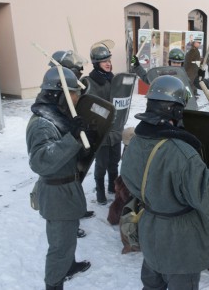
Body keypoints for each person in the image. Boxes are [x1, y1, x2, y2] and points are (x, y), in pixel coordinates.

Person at [120, 75, 209, 290]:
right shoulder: (182, 153)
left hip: (151, 231)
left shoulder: (136, 142)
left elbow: (129, 179)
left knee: (152, 284)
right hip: (179, 241)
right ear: (176, 111)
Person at [26, 67, 91, 290]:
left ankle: (68, 267)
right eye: (73, 92)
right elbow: (40, 161)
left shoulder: (56, 116)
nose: (77, 97)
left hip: (66, 192)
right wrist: (72, 139)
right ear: (59, 94)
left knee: (66, 242)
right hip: (57, 195)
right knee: (59, 249)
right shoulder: (43, 123)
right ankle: (54, 285)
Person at [50, 50, 95, 231]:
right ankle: (70, 223)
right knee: (66, 181)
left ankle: (77, 210)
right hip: (63, 143)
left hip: (73, 137)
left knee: (76, 177)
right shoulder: (56, 89)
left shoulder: (71, 84)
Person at [81, 41, 121, 204]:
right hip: (101, 131)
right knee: (101, 164)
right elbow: (88, 106)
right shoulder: (89, 82)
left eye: (109, 60)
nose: (108, 64)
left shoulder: (115, 80)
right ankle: (100, 191)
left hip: (116, 130)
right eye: (104, 61)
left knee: (114, 162)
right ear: (97, 64)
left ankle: (113, 186)